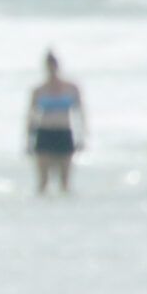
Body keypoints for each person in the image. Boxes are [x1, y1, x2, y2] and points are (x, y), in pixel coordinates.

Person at [27, 50, 86, 196]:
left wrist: (82, 136)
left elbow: (81, 113)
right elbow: (31, 116)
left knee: (65, 183)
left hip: (64, 132)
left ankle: (64, 214)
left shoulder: (71, 88)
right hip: (45, 132)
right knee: (43, 183)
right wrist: (29, 139)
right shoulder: (39, 90)